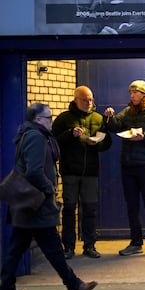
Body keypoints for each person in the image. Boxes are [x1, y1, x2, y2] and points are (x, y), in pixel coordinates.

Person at [0, 103, 97, 290]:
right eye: (48, 117)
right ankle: (73, 284)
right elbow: (34, 171)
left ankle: (6, 289)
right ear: (37, 120)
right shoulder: (36, 137)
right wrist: (49, 188)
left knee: (17, 248)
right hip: (36, 202)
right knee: (52, 247)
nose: (51, 120)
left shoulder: (31, 134)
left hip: (28, 203)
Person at [103, 80, 145, 258]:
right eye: (130, 92)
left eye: (135, 92)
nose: (131, 95)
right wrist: (108, 117)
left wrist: (144, 137)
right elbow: (115, 126)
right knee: (132, 206)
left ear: (143, 94)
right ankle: (136, 243)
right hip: (128, 165)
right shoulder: (128, 111)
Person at [52, 86, 113, 259]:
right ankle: (69, 247)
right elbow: (53, 142)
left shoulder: (98, 118)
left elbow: (107, 141)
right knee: (69, 210)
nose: (89, 103)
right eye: (85, 99)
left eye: (91, 99)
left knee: (90, 209)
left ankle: (89, 245)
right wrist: (70, 134)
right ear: (76, 99)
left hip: (91, 172)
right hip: (70, 171)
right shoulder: (64, 118)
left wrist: (98, 143)